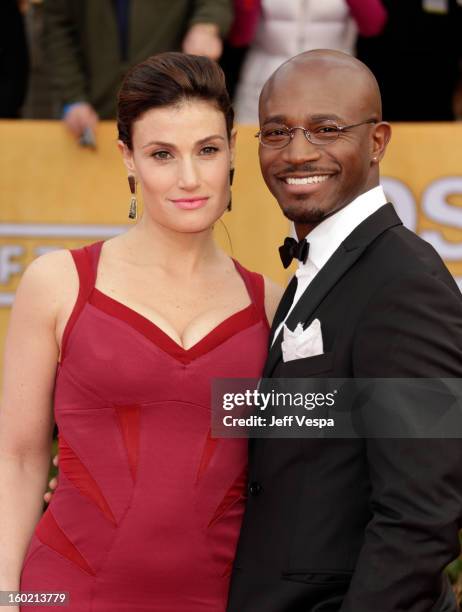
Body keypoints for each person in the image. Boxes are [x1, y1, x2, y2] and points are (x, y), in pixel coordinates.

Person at [0, 52, 282, 611]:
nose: (189, 178)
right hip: (67, 594)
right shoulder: (59, 283)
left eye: (207, 150)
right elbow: (20, 457)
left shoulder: (273, 306)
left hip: (222, 598)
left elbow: (308, 458)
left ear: (232, 150)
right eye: (162, 154)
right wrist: (7, 597)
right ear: (128, 159)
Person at [226, 49, 462, 611]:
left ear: (377, 141)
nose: (298, 152)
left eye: (326, 129)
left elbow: (423, 513)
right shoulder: (321, 271)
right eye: (277, 131)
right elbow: (308, 429)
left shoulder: (406, 283)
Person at [42, 0, 233, 138]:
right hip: (95, 112)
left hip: (169, 100)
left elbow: (214, 4)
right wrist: (74, 99)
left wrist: (206, 26)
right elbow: (57, 27)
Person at [234, 0, 387, 124]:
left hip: (333, 81)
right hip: (265, 81)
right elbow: (240, 36)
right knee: (253, 145)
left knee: (334, 143)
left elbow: (372, 25)